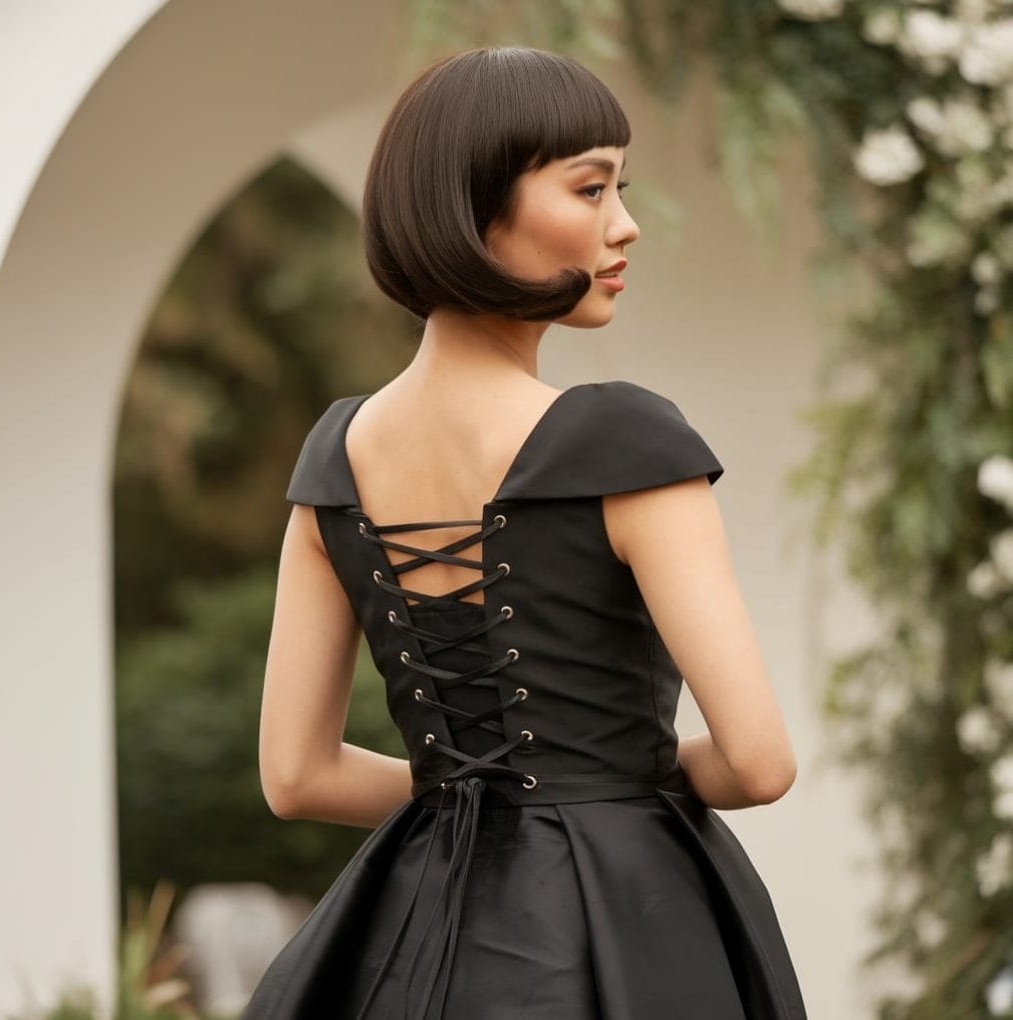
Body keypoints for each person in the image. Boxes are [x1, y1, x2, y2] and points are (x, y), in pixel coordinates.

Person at [243, 46, 806, 1020]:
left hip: (414, 928)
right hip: (629, 924)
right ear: (473, 207)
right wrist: (603, 778)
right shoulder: (623, 440)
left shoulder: (332, 465)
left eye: (622, 188)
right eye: (589, 188)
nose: (625, 226)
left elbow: (299, 777)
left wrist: (486, 801)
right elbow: (757, 763)